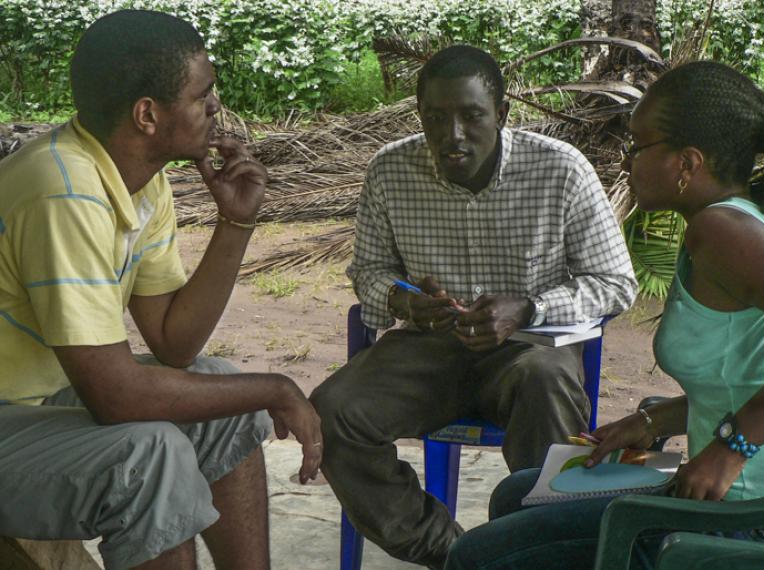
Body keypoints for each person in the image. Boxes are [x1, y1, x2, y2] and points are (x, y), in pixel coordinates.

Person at [444, 60, 764, 570]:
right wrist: (647, 421)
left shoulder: (723, 233)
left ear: (687, 163)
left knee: (472, 557)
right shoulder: (745, 220)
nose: (625, 162)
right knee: (520, 492)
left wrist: (730, 449)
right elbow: (746, 374)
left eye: (637, 147)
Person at [0, 10, 322, 570]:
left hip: (39, 405)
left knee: (221, 390)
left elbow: (176, 346)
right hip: (10, 416)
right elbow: (117, 397)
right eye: (203, 95)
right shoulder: (63, 191)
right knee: (152, 455)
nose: (215, 107)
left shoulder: (141, 183)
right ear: (148, 114)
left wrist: (236, 224)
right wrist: (278, 386)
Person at [310, 44, 637, 569]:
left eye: (471, 115)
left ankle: (540, 553)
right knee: (332, 414)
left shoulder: (560, 169)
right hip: (428, 348)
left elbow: (616, 284)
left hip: (530, 349)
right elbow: (368, 272)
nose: (452, 134)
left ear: (502, 115)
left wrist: (528, 308)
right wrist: (405, 302)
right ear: (419, 116)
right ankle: (459, 555)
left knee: (547, 383)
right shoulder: (390, 170)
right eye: (435, 118)